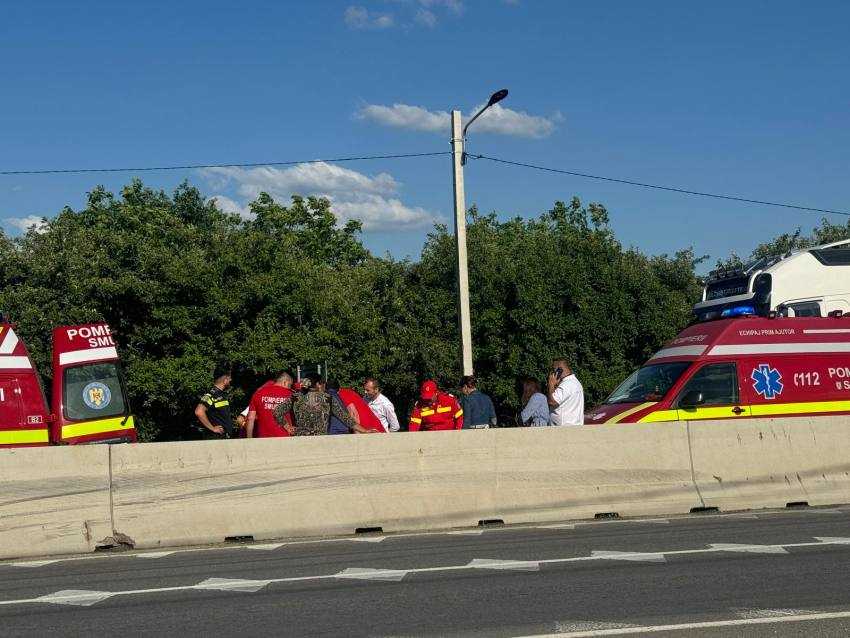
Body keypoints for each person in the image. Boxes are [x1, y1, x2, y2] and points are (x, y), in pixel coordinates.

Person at [275, 374, 373, 436]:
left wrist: (287, 427)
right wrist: (364, 430)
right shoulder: (327, 398)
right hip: (321, 440)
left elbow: (277, 411)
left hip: (300, 439)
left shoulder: (295, 397)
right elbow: (345, 418)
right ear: (318, 384)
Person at [246, 371, 295, 438]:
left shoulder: (258, 393)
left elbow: (250, 418)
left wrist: (249, 439)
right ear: (285, 382)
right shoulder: (291, 395)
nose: (290, 388)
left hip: (263, 438)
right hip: (285, 437)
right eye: (290, 385)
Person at [194, 369, 236, 439]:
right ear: (225, 380)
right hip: (216, 438)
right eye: (229, 378)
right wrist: (212, 428)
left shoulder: (222, 395)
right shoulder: (211, 395)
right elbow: (199, 412)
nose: (230, 380)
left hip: (225, 438)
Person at [547, 358, 585, 426]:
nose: (552, 373)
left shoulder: (566, 385)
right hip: (573, 426)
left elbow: (552, 402)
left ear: (559, 370)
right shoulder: (574, 382)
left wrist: (551, 385)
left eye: (553, 370)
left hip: (564, 428)